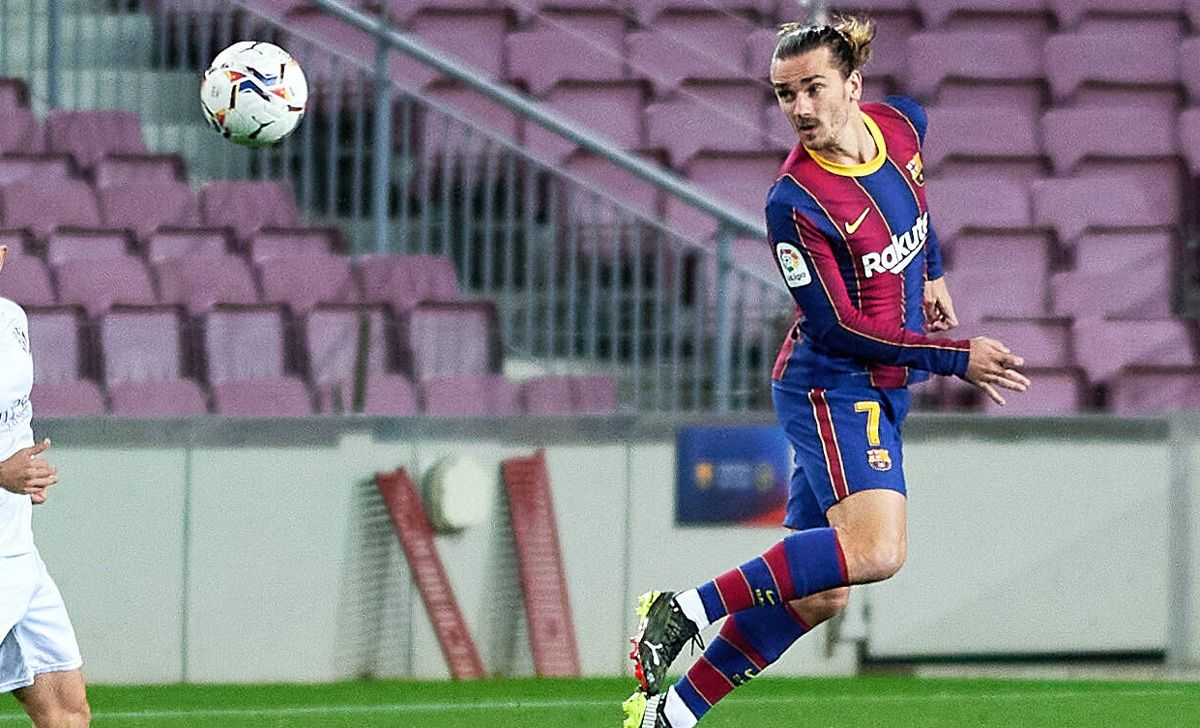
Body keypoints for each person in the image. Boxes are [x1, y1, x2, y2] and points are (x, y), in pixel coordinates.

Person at [622, 16, 1029, 728]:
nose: (801, 108)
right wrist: (956, 357)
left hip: (884, 384)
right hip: (831, 385)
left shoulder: (902, 125)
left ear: (853, 85)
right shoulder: (795, 202)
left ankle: (670, 715)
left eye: (813, 88)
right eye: (786, 94)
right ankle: (684, 609)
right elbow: (839, 328)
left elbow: (916, 200)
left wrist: (931, 270)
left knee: (821, 593)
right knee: (878, 550)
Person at [0, 244, 91, 727]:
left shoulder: (12, 319)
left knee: (67, 711)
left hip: (18, 552)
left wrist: (25, 473)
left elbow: (14, 419)